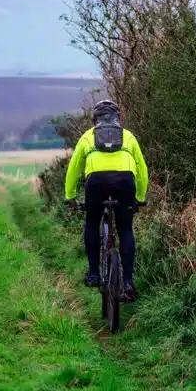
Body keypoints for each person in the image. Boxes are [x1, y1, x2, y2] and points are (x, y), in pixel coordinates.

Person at [64, 99, 148, 302]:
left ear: (95, 119)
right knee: (126, 229)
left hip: (96, 183)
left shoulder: (87, 137)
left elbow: (74, 170)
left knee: (92, 222)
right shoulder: (128, 136)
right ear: (118, 118)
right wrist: (140, 198)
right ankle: (127, 282)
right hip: (125, 182)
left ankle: (93, 273)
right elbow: (142, 170)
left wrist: (70, 197)